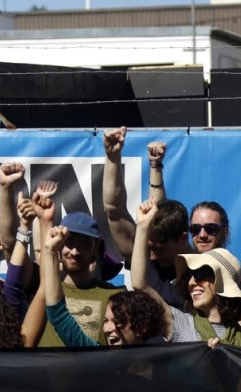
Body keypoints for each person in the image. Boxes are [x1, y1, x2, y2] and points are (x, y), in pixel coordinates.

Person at [132, 198, 241, 345]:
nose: (192, 282)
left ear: (224, 284)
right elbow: (140, 284)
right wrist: (143, 226)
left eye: (200, 276)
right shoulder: (182, 324)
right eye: (190, 276)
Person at [102, 128, 191, 308]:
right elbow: (114, 210)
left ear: (182, 239)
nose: (150, 256)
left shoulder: (200, 268)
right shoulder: (144, 256)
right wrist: (112, 158)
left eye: (159, 250)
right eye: (149, 247)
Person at [41, 220, 167, 347]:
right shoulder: (95, 355)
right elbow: (58, 314)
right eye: (105, 321)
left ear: (142, 327)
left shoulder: (155, 362)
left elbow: (140, 283)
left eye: (118, 321)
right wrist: (49, 248)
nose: (107, 328)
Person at [34, 189, 125, 347]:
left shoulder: (115, 295)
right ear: (60, 244)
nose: (75, 251)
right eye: (70, 242)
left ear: (95, 248)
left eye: (84, 245)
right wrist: (44, 220)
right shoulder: (43, 290)